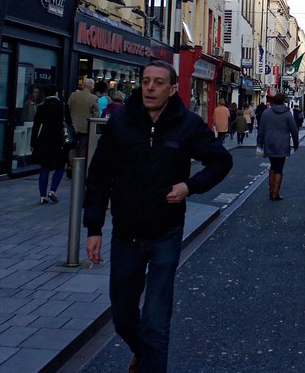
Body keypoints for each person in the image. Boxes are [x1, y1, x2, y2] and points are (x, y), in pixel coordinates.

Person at [84, 60, 232, 373]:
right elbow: (98, 176)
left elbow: (221, 162)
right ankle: (142, 352)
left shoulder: (187, 124)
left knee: (155, 319)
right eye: (146, 81)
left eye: (158, 82)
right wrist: (93, 227)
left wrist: (189, 186)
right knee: (123, 315)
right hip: (126, 233)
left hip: (166, 231)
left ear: (172, 88)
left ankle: (150, 361)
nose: (150, 87)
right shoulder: (121, 122)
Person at [29, 84, 68, 205]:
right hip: (58, 140)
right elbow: (66, 124)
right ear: (56, 93)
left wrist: (33, 142)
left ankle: (42, 196)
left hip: (43, 140)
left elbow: (36, 127)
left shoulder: (41, 107)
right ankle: (53, 190)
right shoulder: (62, 107)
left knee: (44, 168)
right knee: (60, 166)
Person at [257, 93, 300, 201]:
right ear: (283, 101)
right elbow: (294, 130)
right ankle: (275, 193)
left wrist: (259, 144)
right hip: (283, 144)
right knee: (279, 167)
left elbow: (261, 130)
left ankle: (271, 190)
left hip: (269, 142)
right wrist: (295, 144)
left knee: (273, 166)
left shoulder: (266, 113)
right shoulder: (287, 114)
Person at [67, 77, 99, 151]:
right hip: (85, 128)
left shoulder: (73, 95)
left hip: (71, 126)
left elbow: (68, 107)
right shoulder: (94, 98)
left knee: (70, 147)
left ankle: (70, 161)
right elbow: (96, 115)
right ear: (92, 87)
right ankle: (78, 162)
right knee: (82, 148)